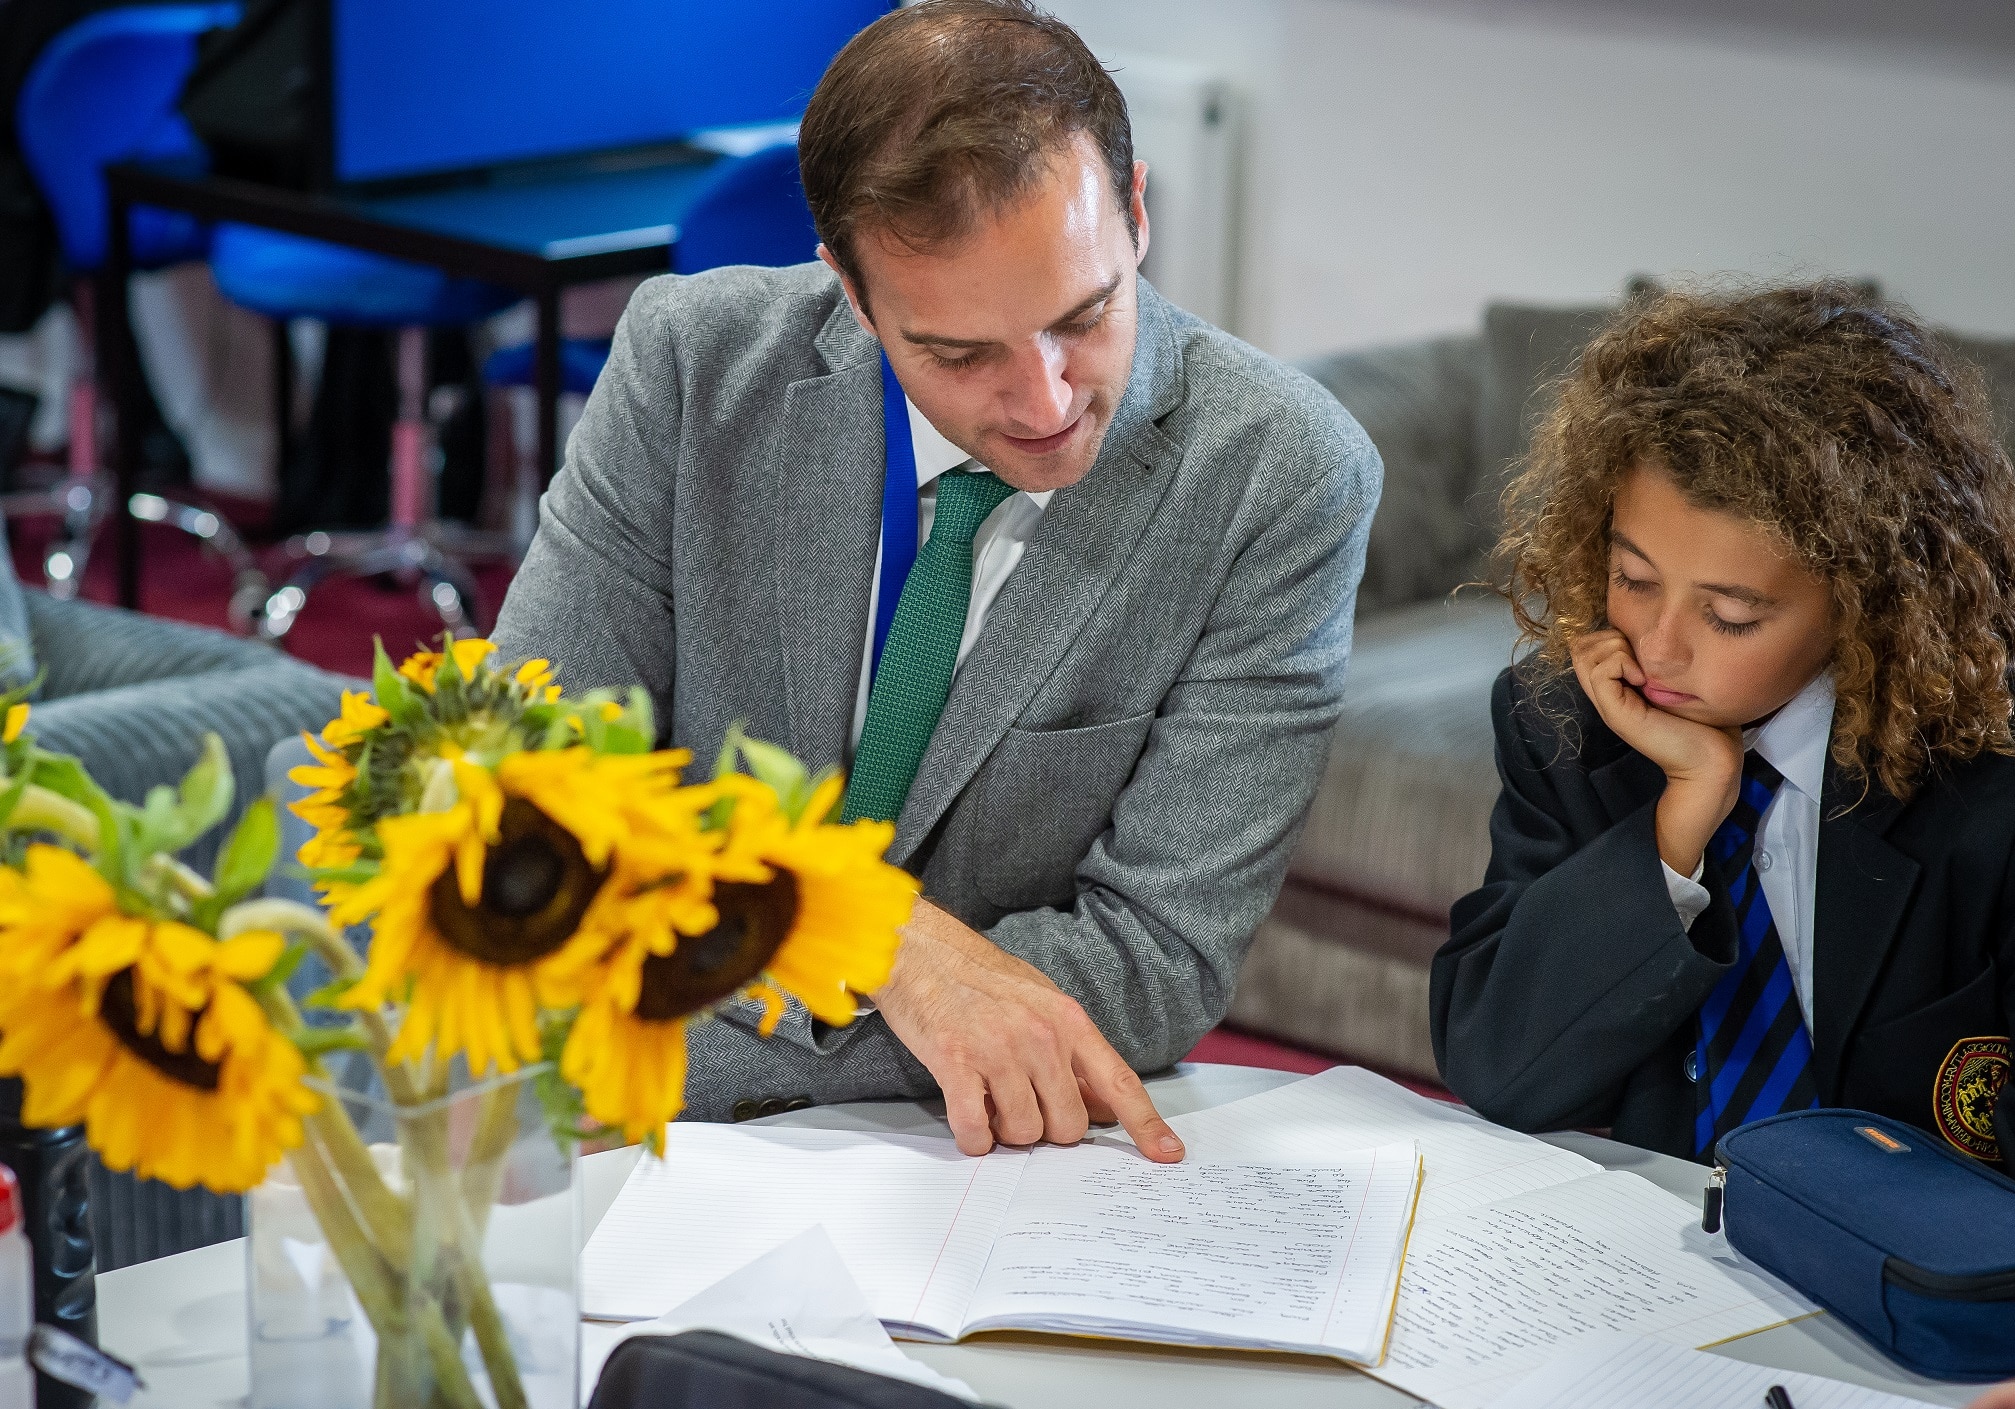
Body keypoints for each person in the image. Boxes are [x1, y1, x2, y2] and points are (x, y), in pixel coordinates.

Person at [490, 0, 1378, 1159]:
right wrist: (877, 939)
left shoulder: (1280, 474)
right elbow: (528, 788)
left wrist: (652, 1031)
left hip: (960, 1161)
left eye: (1085, 314)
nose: (1048, 402)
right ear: (851, 295)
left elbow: (1156, 958)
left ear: (1137, 211)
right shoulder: (691, 365)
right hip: (640, 1152)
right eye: (959, 354)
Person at [1431, 281, 2014, 1165]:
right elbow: (1499, 1067)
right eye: (1632, 577)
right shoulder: (1565, 720)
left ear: (1865, 605)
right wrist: (1678, 825)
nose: (1658, 647)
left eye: (1731, 616)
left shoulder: (1987, 777)